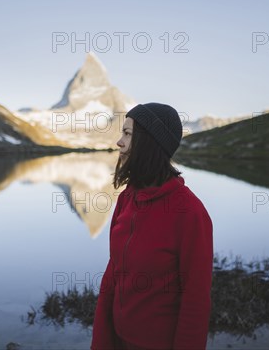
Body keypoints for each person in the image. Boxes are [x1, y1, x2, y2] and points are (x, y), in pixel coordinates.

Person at [91, 103, 214, 350]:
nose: (119, 142)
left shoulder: (190, 213)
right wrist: (101, 342)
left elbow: (196, 301)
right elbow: (112, 277)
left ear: (149, 142)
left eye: (127, 134)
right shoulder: (126, 199)